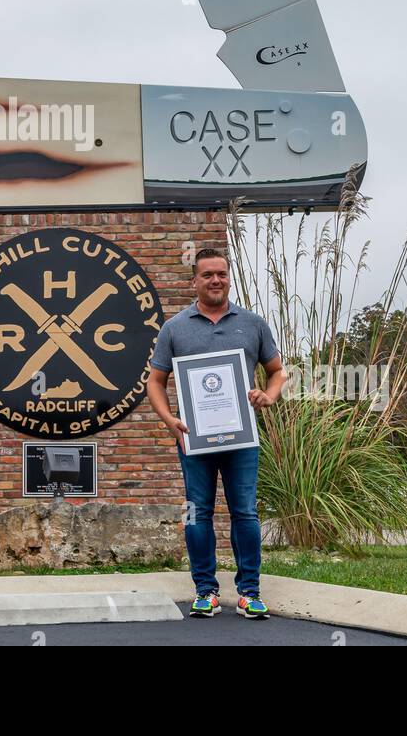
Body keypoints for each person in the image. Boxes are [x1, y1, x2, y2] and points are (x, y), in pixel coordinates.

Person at [146, 244, 285, 619]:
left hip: (241, 439)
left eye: (221, 273)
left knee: (245, 512)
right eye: (207, 274)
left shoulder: (253, 324)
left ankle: (249, 592)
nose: (215, 280)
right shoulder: (174, 328)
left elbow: (278, 371)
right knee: (197, 512)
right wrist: (168, 420)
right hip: (194, 438)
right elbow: (155, 382)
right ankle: (205, 591)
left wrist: (268, 395)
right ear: (194, 281)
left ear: (228, 278)